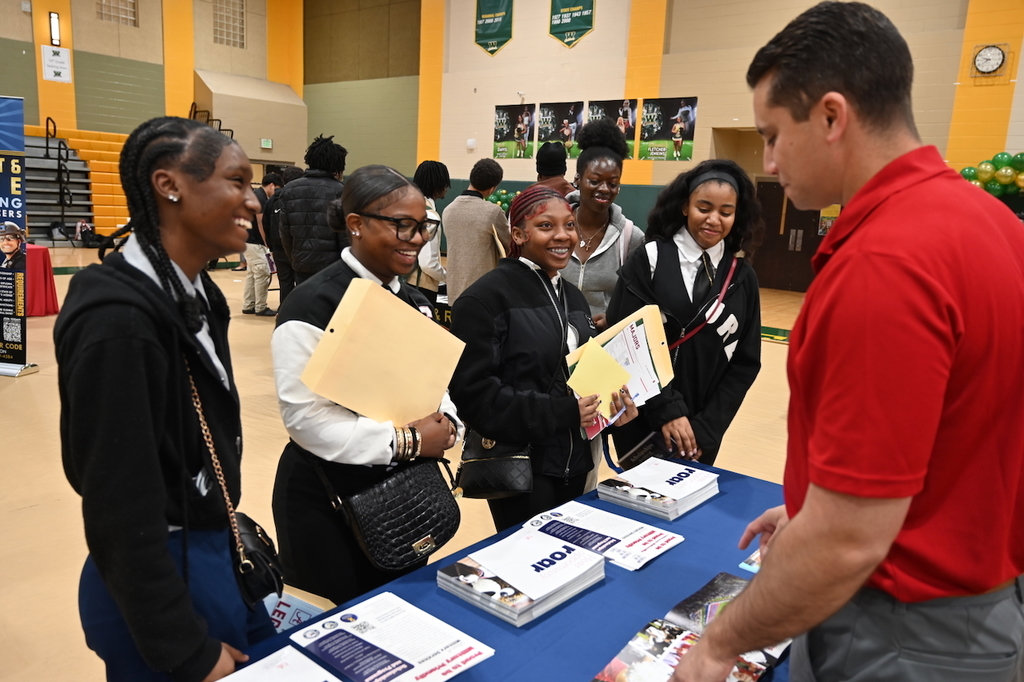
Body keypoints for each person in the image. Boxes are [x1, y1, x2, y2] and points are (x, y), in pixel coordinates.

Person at [671, 4, 1024, 682]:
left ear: (833, 117)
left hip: (900, 631)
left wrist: (719, 644)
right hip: (976, 607)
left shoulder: (885, 263)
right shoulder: (990, 222)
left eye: (773, 136)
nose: (769, 163)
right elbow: (956, 434)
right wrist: (815, 504)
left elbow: (847, 541)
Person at [54, 116, 275, 682]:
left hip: (214, 552)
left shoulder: (197, 291)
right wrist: (184, 649)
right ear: (169, 184)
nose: (254, 202)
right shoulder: (119, 320)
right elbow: (116, 507)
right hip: (161, 582)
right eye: (237, 181)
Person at [270, 165, 464, 606]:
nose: (415, 238)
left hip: (403, 496)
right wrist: (411, 440)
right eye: (401, 225)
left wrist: (448, 423)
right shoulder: (311, 304)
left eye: (423, 226)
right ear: (355, 224)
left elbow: (437, 386)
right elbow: (307, 420)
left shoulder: (416, 302)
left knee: (399, 613)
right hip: (326, 499)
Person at [449, 185, 638, 532]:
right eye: (546, 226)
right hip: (521, 467)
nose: (563, 236)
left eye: (569, 225)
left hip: (577, 461)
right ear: (518, 234)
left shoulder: (574, 299)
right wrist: (560, 413)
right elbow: (473, 396)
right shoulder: (484, 300)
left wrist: (615, 409)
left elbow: (583, 376)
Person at [607, 159, 763, 467]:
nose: (714, 220)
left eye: (726, 212)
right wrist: (668, 410)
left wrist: (708, 429)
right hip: (644, 421)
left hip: (700, 435)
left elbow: (745, 364)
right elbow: (623, 340)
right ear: (684, 207)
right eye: (703, 208)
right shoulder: (648, 260)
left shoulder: (742, 278)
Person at [564, 117, 644, 332]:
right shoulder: (555, 227)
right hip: (549, 341)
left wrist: (615, 318)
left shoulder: (631, 237)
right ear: (578, 179)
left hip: (601, 348)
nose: (604, 189)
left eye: (613, 183)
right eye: (595, 180)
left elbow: (640, 299)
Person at [277, 134, 348, 285]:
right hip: (333, 267)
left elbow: (284, 232)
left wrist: (295, 258)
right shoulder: (341, 190)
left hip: (301, 264)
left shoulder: (289, 189)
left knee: (306, 305)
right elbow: (344, 236)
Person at [443, 158, 509, 304]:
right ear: (492, 189)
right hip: (483, 293)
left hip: (455, 292)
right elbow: (509, 244)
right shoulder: (493, 212)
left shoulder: (448, 210)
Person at [406, 160, 451, 306]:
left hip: (401, 282)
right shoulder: (429, 216)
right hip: (420, 288)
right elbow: (428, 264)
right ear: (439, 184)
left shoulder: (405, 207)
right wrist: (447, 277)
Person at [242, 172, 282, 316]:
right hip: (255, 241)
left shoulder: (256, 195)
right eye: (276, 188)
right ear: (271, 185)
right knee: (262, 273)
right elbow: (260, 222)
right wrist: (267, 244)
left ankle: (249, 304)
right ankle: (260, 306)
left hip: (247, 240)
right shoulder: (260, 198)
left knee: (253, 273)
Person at [262, 166, 304, 304]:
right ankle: (299, 311)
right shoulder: (299, 197)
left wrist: (270, 246)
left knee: (284, 282)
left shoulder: (272, 199)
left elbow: (265, 223)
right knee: (301, 281)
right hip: (296, 246)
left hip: (278, 246)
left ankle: (284, 310)